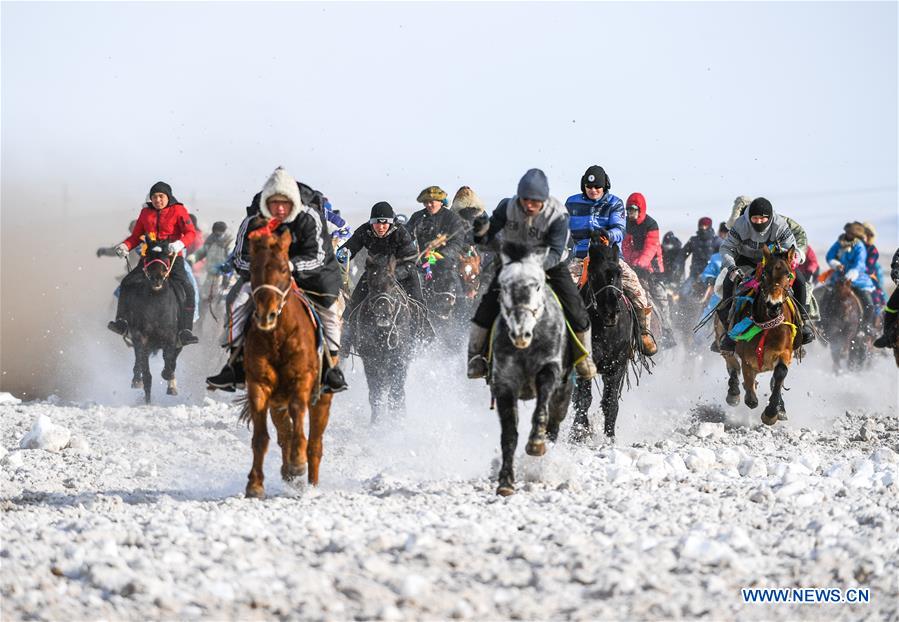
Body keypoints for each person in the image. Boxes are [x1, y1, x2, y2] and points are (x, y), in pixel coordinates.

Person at [205, 168, 347, 393]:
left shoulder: (309, 218)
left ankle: (331, 367)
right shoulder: (253, 222)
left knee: (330, 311)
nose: (280, 208)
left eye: (285, 202)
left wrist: (290, 267)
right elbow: (240, 258)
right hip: (266, 279)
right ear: (266, 202)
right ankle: (234, 365)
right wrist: (264, 271)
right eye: (274, 202)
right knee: (237, 303)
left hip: (312, 276)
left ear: (293, 201)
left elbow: (319, 256)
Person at [468, 168, 597, 380]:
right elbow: (485, 241)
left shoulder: (558, 215)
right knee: (488, 302)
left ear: (544, 200)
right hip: (513, 261)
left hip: (548, 263)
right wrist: (480, 232)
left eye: (535, 201)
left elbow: (556, 252)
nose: (529, 205)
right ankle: (476, 357)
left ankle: (584, 356)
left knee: (575, 306)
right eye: (525, 200)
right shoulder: (506, 207)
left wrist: (535, 267)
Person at [563, 165, 657, 355]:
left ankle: (643, 334)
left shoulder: (615, 203)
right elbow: (563, 229)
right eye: (589, 187)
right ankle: (560, 339)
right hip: (580, 259)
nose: (593, 191)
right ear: (584, 186)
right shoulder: (571, 204)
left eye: (597, 187)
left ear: (605, 186)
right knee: (560, 293)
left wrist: (608, 235)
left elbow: (619, 229)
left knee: (637, 290)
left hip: (609, 259)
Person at [107, 181, 199, 346]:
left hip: (171, 258)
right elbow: (135, 237)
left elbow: (190, 233)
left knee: (187, 288)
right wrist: (125, 246)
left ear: (168, 197)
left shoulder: (179, 210)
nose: (158, 200)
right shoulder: (145, 213)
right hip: (150, 257)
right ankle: (121, 321)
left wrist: (180, 243)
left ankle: (186, 330)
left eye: (161, 196)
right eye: (154, 196)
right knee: (127, 282)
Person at [716, 197, 814, 351]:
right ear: (749, 217)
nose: (759, 222)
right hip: (745, 260)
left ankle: (804, 323)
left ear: (770, 218)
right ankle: (728, 331)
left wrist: (793, 259)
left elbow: (791, 247)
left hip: (772, 260)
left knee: (800, 281)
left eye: (763, 218)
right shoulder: (740, 225)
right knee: (728, 283)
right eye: (755, 218)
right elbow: (726, 248)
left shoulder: (779, 224)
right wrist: (732, 268)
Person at [337, 201, 427, 354]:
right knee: (352, 305)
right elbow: (351, 246)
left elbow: (412, 260)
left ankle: (423, 336)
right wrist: (343, 253)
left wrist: (392, 275)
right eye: (377, 223)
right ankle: (346, 340)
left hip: (403, 272)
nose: (381, 227)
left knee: (418, 303)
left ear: (391, 224)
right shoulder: (365, 231)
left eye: (385, 224)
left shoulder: (401, 233)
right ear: (371, 223)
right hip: (375, 274)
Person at [623, 192, 675, 346]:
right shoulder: (626, 224)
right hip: (634, 265)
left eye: (633, 210)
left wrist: (639, 264)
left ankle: (667, 332)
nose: (630, 214)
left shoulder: (651, 225)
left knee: (660, 297)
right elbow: (626, 246)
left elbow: (650, 248)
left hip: (652, 268)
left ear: (640, 209)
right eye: (628, 210)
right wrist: (630, 263)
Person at [406, 186, 467, 286]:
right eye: (426, 202)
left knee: (454, 285)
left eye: (432, 202)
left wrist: (437, 256)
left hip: (447, 263)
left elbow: (457, 243)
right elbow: (407, 237)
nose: (429, 205)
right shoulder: (418, 217)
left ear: (441, 202)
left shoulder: (452, 218)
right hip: (421, 261)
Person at [825, 222, 877, 335]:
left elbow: (859, 264)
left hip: (858, 279)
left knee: (868, 301)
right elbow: (829, 255)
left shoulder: (859, 246)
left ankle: (865, 326)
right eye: (848, 232)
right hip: (839, 277)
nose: (848, 234)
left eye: (851, 233)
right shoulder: (839, 243)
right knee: (826, 295)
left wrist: (850, 276)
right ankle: (823, 322)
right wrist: (836, 264)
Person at [681, 217, 722, 284]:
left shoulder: (717, 241)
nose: (703, 228)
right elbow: (682, 256)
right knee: (683, 292)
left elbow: (725, 256)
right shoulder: (693, 240)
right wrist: (677, 268)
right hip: (694, 275)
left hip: (710, 276)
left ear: (709, 226)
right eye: (701, 225)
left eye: (705, 226)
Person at [873, 249, 898, 348]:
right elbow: (896, 261)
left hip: (863, 282)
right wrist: (896, 272)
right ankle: (887, 336)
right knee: (891, 306)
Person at [861, 222, 886, 312]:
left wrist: (859, 271)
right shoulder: (855, 247)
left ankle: (877, 313)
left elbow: (869, 266)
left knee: (876, 291)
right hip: (853, 273)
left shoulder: (872, 250)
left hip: (868, 274)